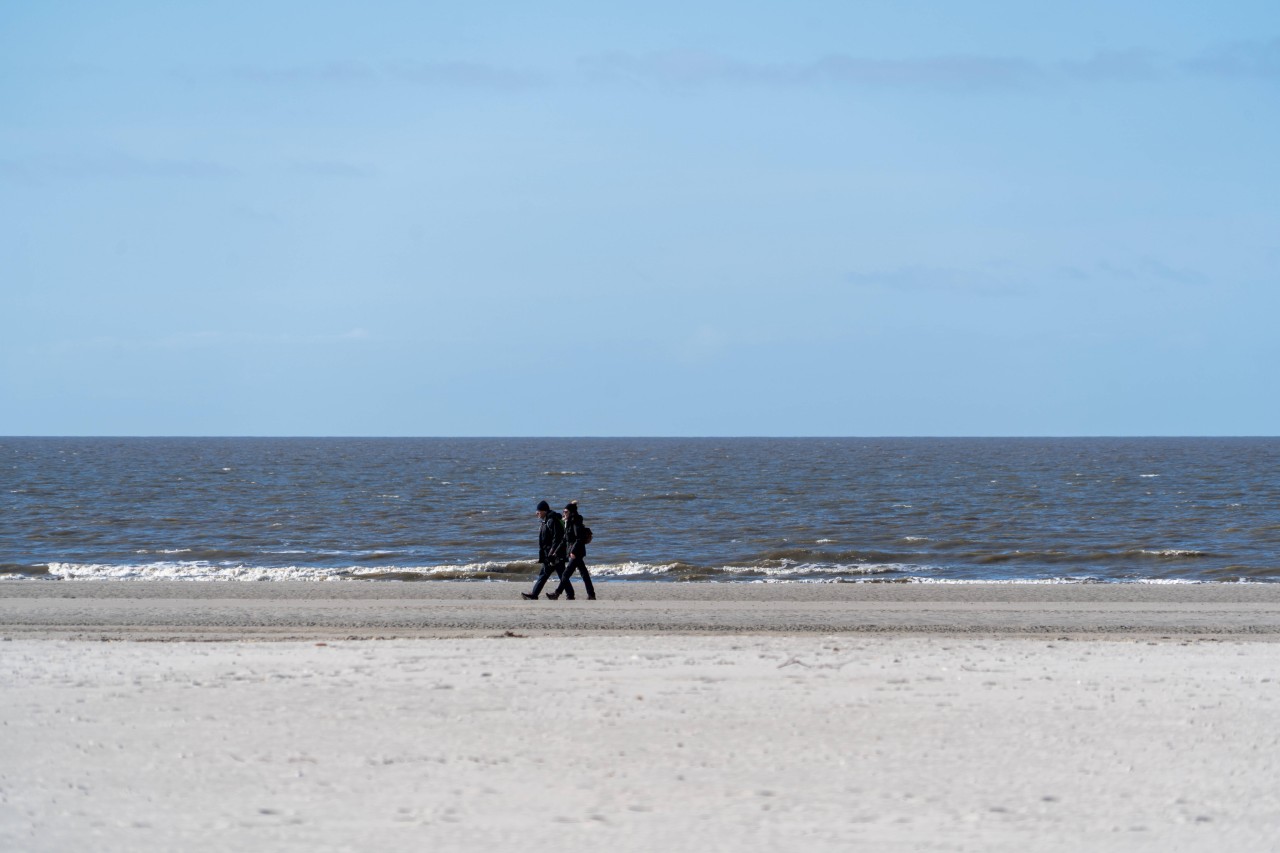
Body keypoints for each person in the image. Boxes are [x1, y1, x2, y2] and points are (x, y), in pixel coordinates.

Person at [522, 500, 570, 600]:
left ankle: (534, 595)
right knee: (555, 574)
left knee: (554, 575)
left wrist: (552, 553)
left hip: (554, 554)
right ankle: (569, 595)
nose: (536, 513)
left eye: (538, 511)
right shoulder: (546, 521)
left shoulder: (552, 520)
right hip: (551, 554)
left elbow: (557, 539)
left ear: (544, 511)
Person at [549, 501, 595, 600]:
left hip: (576, 553)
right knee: (584, 574)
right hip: (574, 552)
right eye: (563, 511)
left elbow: (579, 539)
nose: (563, 513)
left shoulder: (575, 522)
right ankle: (591, 595)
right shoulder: (568, 522)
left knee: (565, 575)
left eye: (565, 511)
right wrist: (555, 552)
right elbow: (565, 540)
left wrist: (573, 552)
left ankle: (558, 594)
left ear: (571, 512)